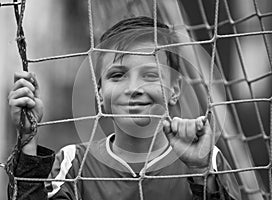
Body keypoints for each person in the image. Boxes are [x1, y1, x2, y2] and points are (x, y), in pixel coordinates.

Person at [8, 16, 241, 200]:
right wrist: (28, 141)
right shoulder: (73, 163)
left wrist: (200, 174)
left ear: (175, 89)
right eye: (117, 75)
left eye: (150, 75)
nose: (134, 88)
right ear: (99, 91)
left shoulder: (206, 160)